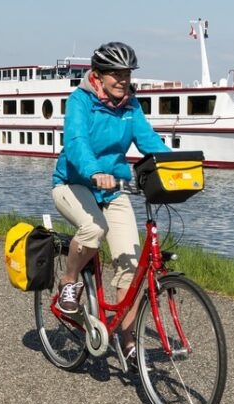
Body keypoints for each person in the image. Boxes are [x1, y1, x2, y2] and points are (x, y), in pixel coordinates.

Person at [51, 41, 171, 365]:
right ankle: (68, 282)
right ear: (98, 75)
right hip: (73, 183)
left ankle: (128, 342)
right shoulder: (81, 101)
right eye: (115, 74)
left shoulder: (131, 106)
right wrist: (94, 172)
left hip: (114, 188)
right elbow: (76, 143)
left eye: (127, 74)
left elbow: (150, 141)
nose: (122, 80)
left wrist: (178, 166)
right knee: (93, 228)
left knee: (130, 266)